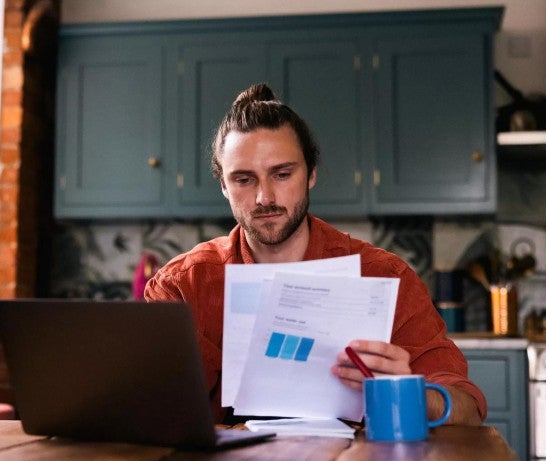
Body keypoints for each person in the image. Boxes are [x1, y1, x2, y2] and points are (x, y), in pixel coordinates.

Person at [144, 83, 486, 425]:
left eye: (282, 174)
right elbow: (147, 415)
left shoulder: (385, 276)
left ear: (311, 174)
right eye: (244, 179)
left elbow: (468, 410)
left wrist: (406, 392)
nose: (264, 197)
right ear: (223, 186)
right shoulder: (183, 286)